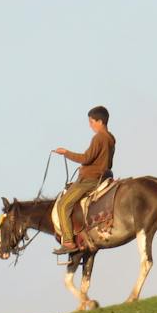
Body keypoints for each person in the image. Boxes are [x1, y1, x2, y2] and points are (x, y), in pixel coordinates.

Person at [51, 106, 116, 253]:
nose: (90, 125)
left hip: (89, 180)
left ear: (100, 121)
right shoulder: (111, 138)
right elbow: (108, 163)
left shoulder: (98, 138)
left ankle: (68, 241)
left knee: (63, 204)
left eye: (92, 122)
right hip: (102, 177)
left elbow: (86, 158)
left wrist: (65, 152)